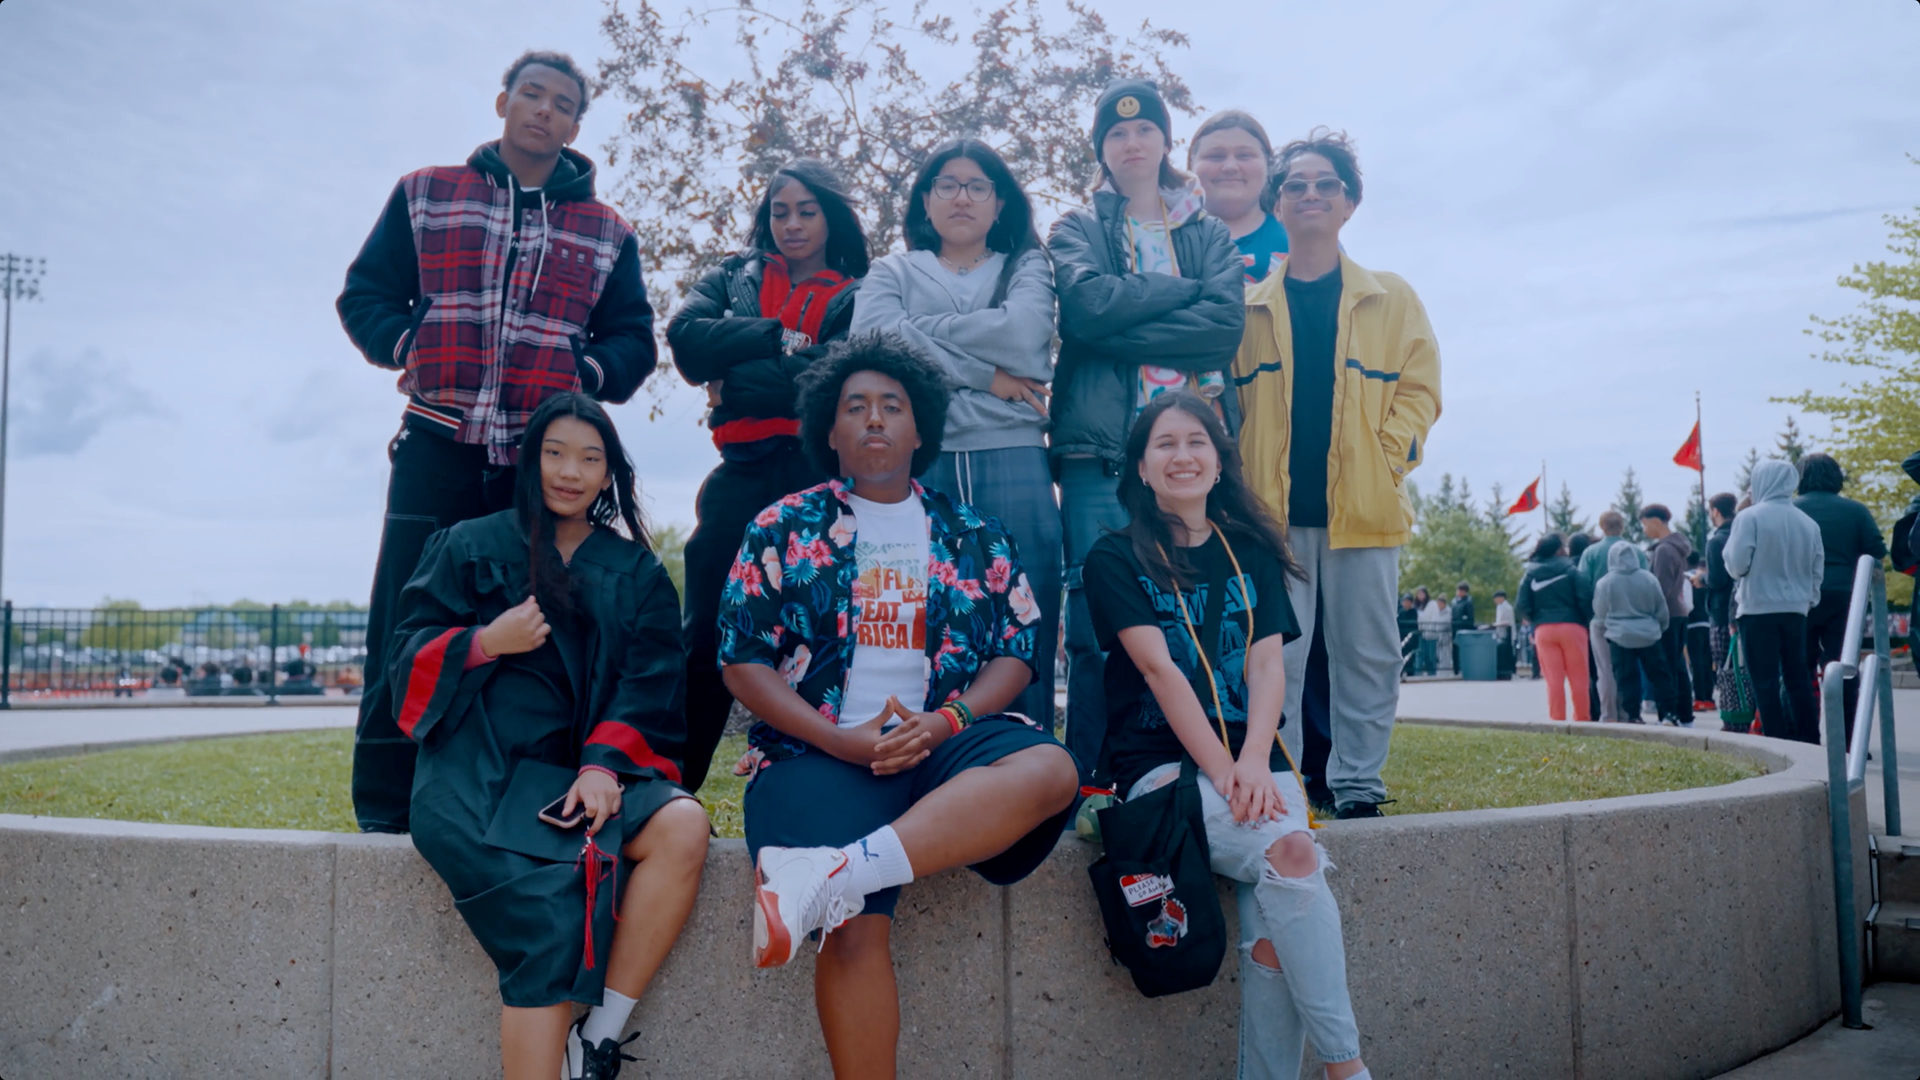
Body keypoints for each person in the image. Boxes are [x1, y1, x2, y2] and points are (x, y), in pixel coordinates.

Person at [718, 334, 1079, 1077]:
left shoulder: (974, 532)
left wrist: (948, 722)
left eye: (893, 406)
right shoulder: (783, 525)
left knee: (1052, 771)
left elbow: (1018, 649)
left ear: (921, 431)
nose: (875, 418)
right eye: (855, 407)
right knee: (853, 933)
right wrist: (839, 739)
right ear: (830, 431)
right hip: (817, 752)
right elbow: (741, 659)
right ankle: (841, 888)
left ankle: (835, 874)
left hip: (941, 741)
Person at [337, 51, 658, 834]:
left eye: (562, 104)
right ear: (503, 102)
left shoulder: (607, 230)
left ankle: (494, 794)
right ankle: (385, 808)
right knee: (403, 616)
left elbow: (634, 341)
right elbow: (364, 295)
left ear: (576, 126)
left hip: (532, 463)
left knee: (524, 626)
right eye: (532, 94)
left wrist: (584, 370)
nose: (544, 110)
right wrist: (409, 343)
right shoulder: (426, 193)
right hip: (435, 446)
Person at [388, 393, 708, 1080]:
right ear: (529, 459)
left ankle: (598, 1040)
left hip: (577, 778)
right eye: (555, 453)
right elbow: (403, 661)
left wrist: (603, 765)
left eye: (589, 458)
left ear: (608, 472)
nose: (570, 472)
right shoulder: (469, 546)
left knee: (683, 825)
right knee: (547, 922)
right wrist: (483, 642)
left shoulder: (636, 572)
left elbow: (650, 682)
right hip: (478, 777)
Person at [1081, 392, 1371, 1079]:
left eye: (1197, 442)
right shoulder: (1114, 557)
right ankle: (1349, 1070)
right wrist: (1223, 770)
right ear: (1141, 468)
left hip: (1258, 758)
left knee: (1281, 895)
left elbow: (1267, 666)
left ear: (1218, 463)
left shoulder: (1252, 551)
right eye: (1164, 444)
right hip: (1163, 769)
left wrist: (1252, 760)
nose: (1182, 456)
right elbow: (1159, 671)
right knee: (1291, 860)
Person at [1233, 128, 1441, 819]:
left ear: (1349, 203)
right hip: (1272, 520)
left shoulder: (1392, 298)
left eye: (1326, 184)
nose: (1311, 194)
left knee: (1367, 655)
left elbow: (1421, 390)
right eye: (1295, 185)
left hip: (1366, 512)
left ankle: (1358, 787)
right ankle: (1286, 788)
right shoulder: (1249, 309)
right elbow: (1228, 411)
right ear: (1277, 205)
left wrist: (1388, 457)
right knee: (1275, 661)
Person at [1050, 78, 1247, 783]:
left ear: (1165, 141)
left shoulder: (1206, 231)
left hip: (1191, 461)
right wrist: (1183, 296)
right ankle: (1088, 775)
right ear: (1101, 149)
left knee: (1196, 617)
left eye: (1144, 130)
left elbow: (1223, 328)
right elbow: (1083, 311)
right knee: (1095, 624)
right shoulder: (1076, 229)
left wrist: (1120, 320)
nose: (1131, 142)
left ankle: (1193, 767)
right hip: (1100, 458)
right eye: (1116, 133)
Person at [669, 159, 869, 791]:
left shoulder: (860, 291)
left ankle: (816, 782)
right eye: (780, 212)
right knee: (707, 631)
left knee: (819, 634)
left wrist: (737, 377)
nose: (792, 224)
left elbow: (833, 377)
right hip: (738, 473)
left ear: (831, 216)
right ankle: (668, 790)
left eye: (807, 210)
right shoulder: (732, 275)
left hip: (818, 478)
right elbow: (686, 341)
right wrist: (780, 337)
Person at [852, 139, 1061, 728]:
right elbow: (871, 343)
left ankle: (1027, 755)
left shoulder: (1026, 266)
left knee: (1026, 614)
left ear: (1000, 202)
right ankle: (920, 751)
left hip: (1014, 454)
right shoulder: (892, 270)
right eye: (946, 184)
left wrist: (917, 334)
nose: (961, 197)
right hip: (923, 458)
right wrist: (987, 376)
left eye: (977, 186)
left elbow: (1023, 335)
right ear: (925, 200)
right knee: (921, 613)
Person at [1724, 460, 1824, 743]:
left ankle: (1774, 740)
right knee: (1797, 679)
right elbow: (1817, 569)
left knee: (1764, 683)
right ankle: (1809, 740)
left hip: (1757, 608)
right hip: (1796, 609)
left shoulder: (1749, 518)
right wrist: (1808, 599)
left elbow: (1736, 565)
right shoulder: (1808, 523)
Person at [1795, 452, 1887, 741]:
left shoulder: (1792, 510)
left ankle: (1805, 737)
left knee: (1799, 668)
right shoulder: (1855, 511)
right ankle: (1848, 740)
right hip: (1846, 595)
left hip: (1800, 596)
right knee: (1845, 666)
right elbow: (1877, 551)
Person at [1188, 110, 1289, 283]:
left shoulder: (1300, 241)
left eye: (1244, 155)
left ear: (1268, 164)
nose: (1230, 167)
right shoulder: (1164, 240)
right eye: (1215, 156)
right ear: (1191, 165)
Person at [1592, 542, 1673, 725]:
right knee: (1659, 676)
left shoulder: (1605, 582)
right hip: (1649, 634)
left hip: (1619, 635)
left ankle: (1633, 715)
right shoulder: (1649, 578)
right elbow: (1661, 609)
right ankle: (1667, 714)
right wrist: (1659, 628)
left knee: (1626, 678)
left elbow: (1600, 611)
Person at [1514, 534, 1591, 721]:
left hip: (1544, 630)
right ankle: (1582, 719)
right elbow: (1585, 597)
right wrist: (1585, 619)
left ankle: (1557, 720)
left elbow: (1521, 605)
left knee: (1553, 680)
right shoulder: (1571, 569)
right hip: (1573, 627)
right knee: (1579, 678)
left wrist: (1536, 619)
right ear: (1558, 550)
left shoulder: (1530, 573)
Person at [1578, 511, 1647, 720]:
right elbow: (1646, 582)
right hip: (1631, 617)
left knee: (1605, 670)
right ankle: (1630, 712)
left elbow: (1583, 586)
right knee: (1629, 668)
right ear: (1622, 526)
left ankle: (1608, 714)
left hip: (1601, 618)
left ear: (1601, 527)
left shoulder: (1590, 553)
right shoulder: (1636, 552)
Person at [1639, 505, 1695, 723]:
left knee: (1665, 667)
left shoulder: (1663, 550)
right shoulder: (1677, 547)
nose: (1644, 530)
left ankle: (1669, 715)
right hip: (1678, 611)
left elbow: (1660, 588)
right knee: (1678, 666)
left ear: (1655, 521)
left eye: (1645, 524)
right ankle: (1685, 715)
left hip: (1666, 615)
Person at [1704, 492, 1754, 732]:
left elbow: (1716, 579)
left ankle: (1733, 718)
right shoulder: (1745, 533)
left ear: (1715, 511)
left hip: (1722, 613)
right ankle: (1752, 714)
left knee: (1727, 667)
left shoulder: (1716, 542)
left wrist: (1701, 579)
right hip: (1747, 607)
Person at [1685, 553, 1715, 711]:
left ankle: (1699, 697)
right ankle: (1709, 698)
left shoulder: (1687, 579)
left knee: (1696, 662)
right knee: (1708, 662)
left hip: (1692, 624)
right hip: (1708, 623)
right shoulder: (1705, 578)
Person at [1415, 586, 1445, 677]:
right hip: (1421, 634)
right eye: (1419, 594)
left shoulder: (1432, 604)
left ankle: (1432, 673)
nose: (1421, 596)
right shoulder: (1417, 606)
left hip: (1431, 633)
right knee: (1421, 654)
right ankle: (1418, 673)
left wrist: (1430, 629)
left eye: (1422, 594)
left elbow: (1435, 618)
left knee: (1431, 655)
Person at [1492, 589, 1517, 680]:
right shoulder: (1499, 607)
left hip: (1508, 634)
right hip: (1500, 633)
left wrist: (1496, 624)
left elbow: (1508, 622)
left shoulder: (1507, 608)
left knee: (1509, 654)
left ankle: (1511, 672)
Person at [1397, 594, 1420, 677]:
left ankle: (1410, 671)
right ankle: (1401, 671)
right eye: (1405, 601)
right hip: (1402, 637)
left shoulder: (1414, 612)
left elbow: (1414, 624)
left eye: (1408, 601)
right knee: (1401, 655)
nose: (1406, 603)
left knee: (1411, 655)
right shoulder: (1400, 612)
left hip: (1411, 637)